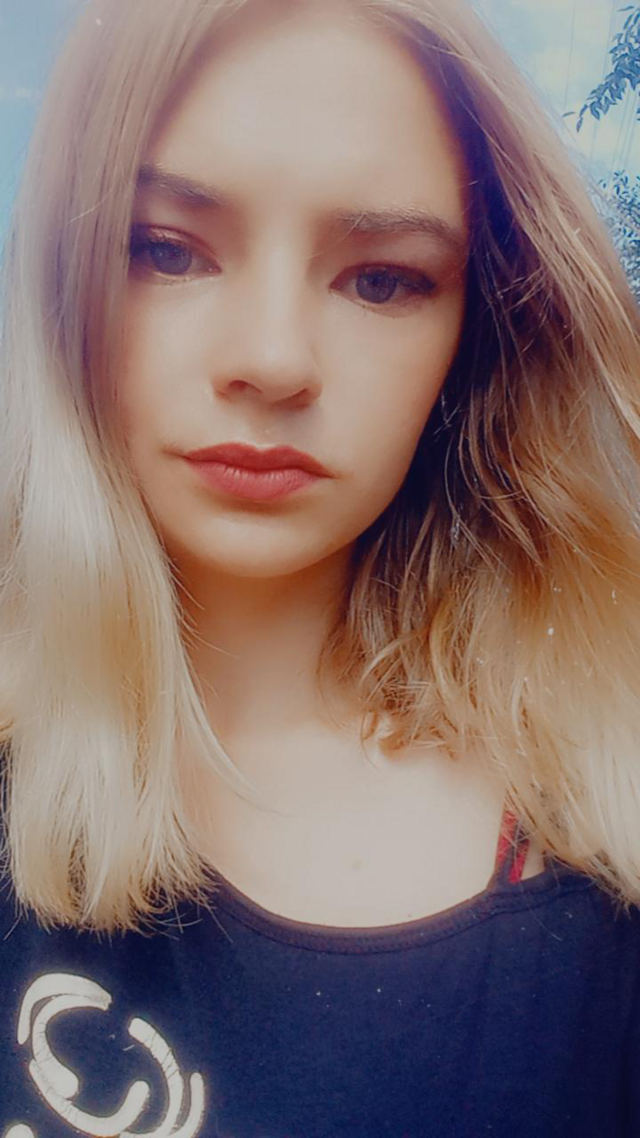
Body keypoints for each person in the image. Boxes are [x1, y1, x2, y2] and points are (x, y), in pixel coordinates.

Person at [1, 0, 640, 1133]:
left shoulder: (606, 844)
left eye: (381, 279)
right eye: (167, 249)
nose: (273, 358)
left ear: (478, 335)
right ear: (60, 276)